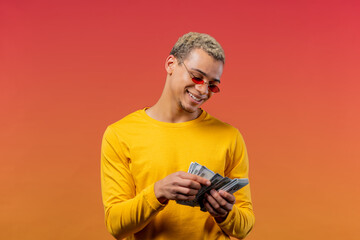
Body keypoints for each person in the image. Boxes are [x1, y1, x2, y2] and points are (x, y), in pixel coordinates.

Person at [101, 32, 255, 240]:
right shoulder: (119, 134)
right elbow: (116, 225)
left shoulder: (230, 137)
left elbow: (244, 227)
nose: (202, 90)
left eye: (212, 85)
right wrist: (158, 192)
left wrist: (225, 213)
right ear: (171, 64)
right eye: (196, 77)